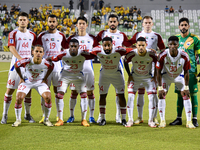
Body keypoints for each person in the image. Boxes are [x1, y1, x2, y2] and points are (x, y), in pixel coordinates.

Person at [47, 39, 94, 127]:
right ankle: (60, 119)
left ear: (78, 47)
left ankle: (84, 119)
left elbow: (94, 55)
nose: (73, 48)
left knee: (84, 95)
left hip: (79, 76)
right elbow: (53, 58)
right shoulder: (64, 54)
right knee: (59, 95)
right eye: (71, 46)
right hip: (65, 76)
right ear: (69, 47)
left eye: (75, 46)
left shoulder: (83, 53)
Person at [96, 14, 133, 123]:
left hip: (118, 63)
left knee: (119, 93)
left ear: (117, 23)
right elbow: (94, 43)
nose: (112, 23)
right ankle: (101, 116)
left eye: (114, 22)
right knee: (103, 94)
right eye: (110, 22)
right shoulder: (102, 33)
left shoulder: (121, 35)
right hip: (105, 64)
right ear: (108, 23)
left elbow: (128, 46)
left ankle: (119, 116)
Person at [1, 12, 37, 124]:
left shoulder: (32, 34)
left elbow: (35, 48)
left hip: (28, 66)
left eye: (24, 19)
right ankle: (4, 115)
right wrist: (21, 59)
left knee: (28, 91)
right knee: (10, 90)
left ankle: (27, 114)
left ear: (27, 21)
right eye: (20, 19)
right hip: (16, 65)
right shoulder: (13, 33)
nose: (22, 21)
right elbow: (11, 48)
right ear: (18, 21)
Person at [129, 16, 165, 125]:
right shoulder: (138, 35)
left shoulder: (156, 36)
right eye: (146, 22)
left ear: (152, 24)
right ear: (142, 24)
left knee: (153, 94)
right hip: (139, 67)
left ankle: (154, 117)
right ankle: (139, 117)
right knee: (140, 93)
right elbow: (129, 46)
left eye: (150, 22)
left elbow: (163, 50)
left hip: (153, 67)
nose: (148, 24)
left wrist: (157, 54)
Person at [65, 16, 99, 124]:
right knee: (74, 92)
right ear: (77, 25)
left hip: (88, 68)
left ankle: (91, 117)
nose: (81, 26)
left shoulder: (92, 38)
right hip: (75, 69)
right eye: (79, 24)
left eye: (83, 23)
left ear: (86, 25)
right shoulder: (71, 39)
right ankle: (71, 116)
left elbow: (97, 50)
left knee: (90, 92)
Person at [156, 36, 195, 129]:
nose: (172, 46)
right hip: (166, 76)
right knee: (161, 95)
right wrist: (160, 88)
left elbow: (186, 72)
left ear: (178, 45)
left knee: (186, 95)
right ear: (168, 45)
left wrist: (186, 87)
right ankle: (162, 121)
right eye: (171, 44)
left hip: (179, 76)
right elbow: (158, 71)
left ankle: (189, 121)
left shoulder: (184, 55)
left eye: (174, 44)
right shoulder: (162, 55)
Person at [90, 37, 130, 126]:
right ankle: (103, 118)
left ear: (112, 45)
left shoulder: (119, 50)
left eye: (109, 45)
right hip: (104, 76)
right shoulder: (97, 50)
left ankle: (123, 119)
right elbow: (87, 53)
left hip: (117, 75)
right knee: (102, 96)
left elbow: (131, 50)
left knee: (121, 95)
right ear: (102, 45)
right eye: (105, 46)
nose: (107, 48)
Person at [36, 14, 68, 125]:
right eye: (50, 21)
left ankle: (60, 117)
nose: (52, 23)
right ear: (47, 22)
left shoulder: (61, 36)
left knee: (58, 93)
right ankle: (44, 116)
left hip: (58, 67)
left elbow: (66, 51)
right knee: (44, 92)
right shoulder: (42, 36)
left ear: (57, 23)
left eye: (54, 21)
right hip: (44, 68)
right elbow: (37, 50)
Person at [12, 45, 54, 127]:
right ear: (32, 52)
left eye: (40, 52)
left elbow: (52, 67)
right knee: (19, 98)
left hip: (40, 82)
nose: (38, 53)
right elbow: (16, 65)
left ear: (43, 53)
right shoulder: (27, 61)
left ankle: (46, 120)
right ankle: (18, 120)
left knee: (48, 98)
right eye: (36, 51)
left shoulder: (46, 63)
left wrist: (45, 78)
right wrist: (21, 78)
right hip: (27, 82)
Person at [169, 18, 200, 127]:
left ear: (189, 26)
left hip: (191, 71)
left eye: (185, 25)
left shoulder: (195, 39)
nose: (183, 27)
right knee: (179, 95)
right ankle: (179, 118)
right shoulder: (176, 38)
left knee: (192, 94)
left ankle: (194, 118)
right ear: (179, 26)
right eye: (182, 25)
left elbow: (199, 55)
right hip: (178, 72)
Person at [124, 37, 157, 128]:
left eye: (143, 45)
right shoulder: (132, 54)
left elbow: (157, 63)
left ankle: (150, 120)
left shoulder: (151, 54)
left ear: (146, 45)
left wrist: (155, 76)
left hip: (148, 78)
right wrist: (129, 75)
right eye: (139, 45)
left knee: (152, 97)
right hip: (135, 78)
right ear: (136, 46)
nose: (141, 47)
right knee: (130, 97)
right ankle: (130, 119)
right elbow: (125, 61)